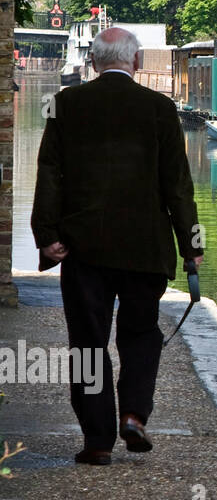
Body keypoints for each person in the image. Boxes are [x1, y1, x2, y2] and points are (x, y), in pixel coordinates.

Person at [31, 27, 204, 465]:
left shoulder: (65, 104)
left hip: (84, 249)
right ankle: (133, 416)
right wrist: (192, 244)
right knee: (141, 335)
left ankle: (97, 441)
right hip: (145, 249)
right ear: (137, 62)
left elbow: (49, 173)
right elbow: (178, 187)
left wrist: (47, 236)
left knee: (88, 344)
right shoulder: (161, 109)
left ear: (93, 62)